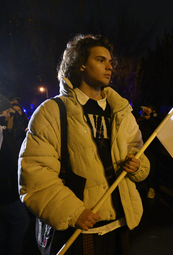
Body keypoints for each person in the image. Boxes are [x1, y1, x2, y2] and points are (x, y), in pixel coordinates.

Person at [18, 34, 150, 254]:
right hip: (80, 232)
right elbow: (35, 174)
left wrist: (138, 165)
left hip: (120, 225)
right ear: (80, 64)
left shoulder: (121, 111)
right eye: (101, 60)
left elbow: (138, 151)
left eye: (111, 61)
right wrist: (73, 212)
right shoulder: (51, 112)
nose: (109, 66)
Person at [0, 93, 30, 255]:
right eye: (5, 111)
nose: (8, 114)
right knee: (21, 221)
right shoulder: (2, 133)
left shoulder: (7, 132)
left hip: (8, 189)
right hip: (7, 192)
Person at [137, 105, 160, 199]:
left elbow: (158, 128)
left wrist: (149, 119)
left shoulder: (153, 120)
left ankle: (151, 188)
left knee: (151, 170)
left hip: (151, 149)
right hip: (139, 148)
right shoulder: (138, 120)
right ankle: (141, 188)